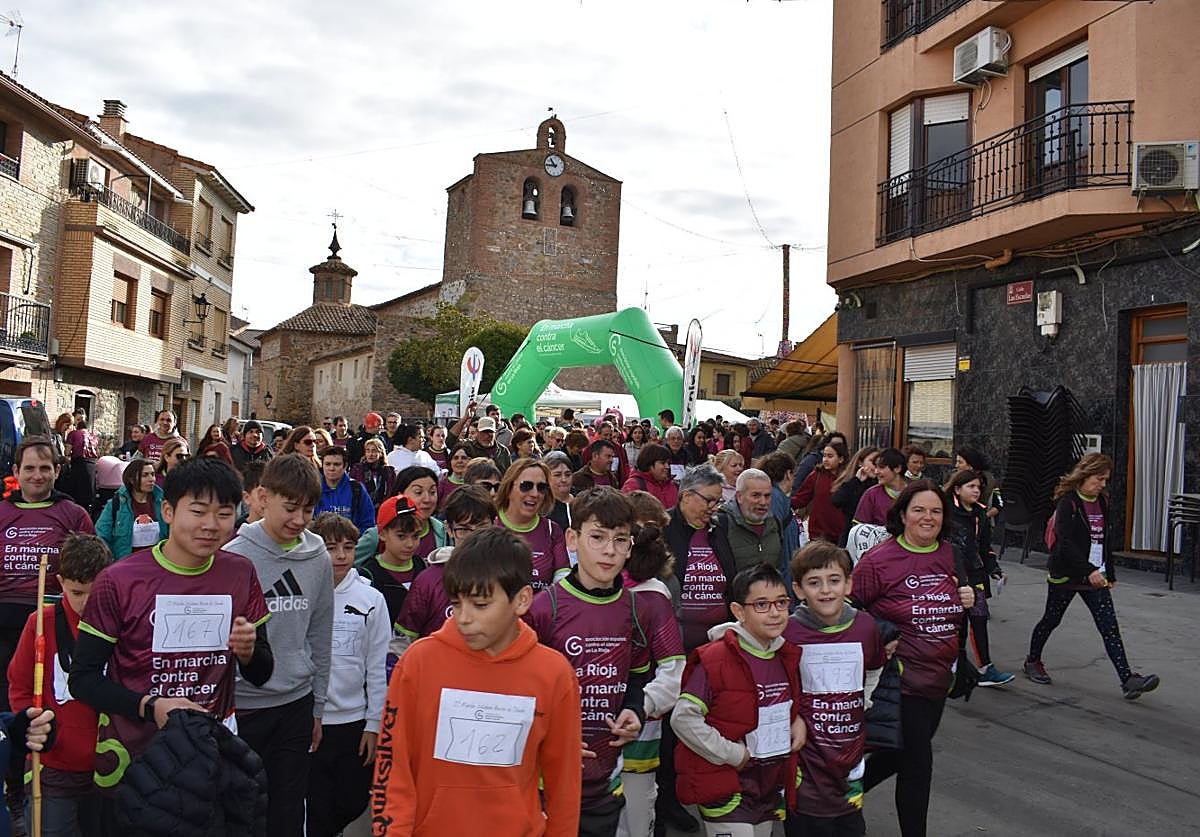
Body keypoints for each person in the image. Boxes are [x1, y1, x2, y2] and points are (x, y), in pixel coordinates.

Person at [69, 458, 272, 799]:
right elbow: (83, 680)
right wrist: (152, 706)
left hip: (210, 757)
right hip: (133, 760)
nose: (211, 525)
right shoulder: (119, 580)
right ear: (167, 511)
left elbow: (262, 673)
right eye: (198, 511)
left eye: (224, 513)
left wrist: (249, 652)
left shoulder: (241, 572)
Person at [370, 527, 583, 835]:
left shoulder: (554, 675)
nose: (464, 618)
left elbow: (563, 783)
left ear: (522, 600)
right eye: (457, 603)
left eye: (480, 605)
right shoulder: (418, 664)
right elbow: (393, 768)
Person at [852, 480, 974, 837]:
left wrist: (971, 600)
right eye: (919, 510)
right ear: (902, 515)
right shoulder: (878, 561)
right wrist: (883, 639)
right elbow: (850, 614)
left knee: (899, 752)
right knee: (918, 762)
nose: (928, 517)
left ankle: (842, 794)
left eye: (936, 511)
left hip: (938, 676)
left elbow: (962, 609)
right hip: (900, 677)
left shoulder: (951, 554)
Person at [525, 488, 647, 836]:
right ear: (572, 540)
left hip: (604, 787)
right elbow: (514, 690)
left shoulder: (635, 608)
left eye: (620, 540)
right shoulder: (542, 609)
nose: (609, 550)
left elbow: (637, 677)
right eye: (597, 537)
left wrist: (635, 712)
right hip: (543, 786)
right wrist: (546, 735)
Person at [225, 453, 335, 837]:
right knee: (241, 808)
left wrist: (319, 705)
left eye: (308, 510)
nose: (299, 520)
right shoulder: (235, 555)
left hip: (295, 704)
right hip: (244, 707)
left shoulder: (318, 555)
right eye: (290, 508)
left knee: (287, 812)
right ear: (262, 496)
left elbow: (321, 634)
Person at [671, 563, 805, 837]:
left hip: (767, 785)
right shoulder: (714, 658)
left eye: (781, 603)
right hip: (726, 786)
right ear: (738, 612)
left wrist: (796, 721)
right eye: (761, 605)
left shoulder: (785, 655)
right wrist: (733, 754)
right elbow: (683, 718)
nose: (775, 613)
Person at [1023, 453, 1159, 700]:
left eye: (1106, 480)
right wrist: (1088, 570)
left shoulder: (1102, 502)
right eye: (1099, 479)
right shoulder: (1069, 502)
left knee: (1109, 627)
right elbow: (1064, 544)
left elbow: (1104, 539)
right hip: (1067, 574)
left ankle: (1127, 679)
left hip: (1096, 575)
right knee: (1051, 619)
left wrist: (1110, 571)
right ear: (1084, 476)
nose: (1102, 484)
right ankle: (1033, 660)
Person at [783, 542, 887, 837]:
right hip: (807, 758)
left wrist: (863, 700)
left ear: (849, 584)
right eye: (814, 583)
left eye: (834, 580)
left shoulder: (865, 626)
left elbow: (876, 666)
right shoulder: (788, 632)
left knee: (850, 825)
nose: (826, 590)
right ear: (799, 590)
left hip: (849, 755)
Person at [7, 532, 108, 834]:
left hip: (109, 765)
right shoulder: (41, 622)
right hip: (54, 764)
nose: (86, 603)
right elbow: (20, 686)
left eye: (95, 592)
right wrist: (33, 724)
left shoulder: (121, 621)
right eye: (77, 593)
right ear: (61, 582)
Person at [307, 513, 389, 837]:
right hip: (310, 722)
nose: (340, 556)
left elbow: (377, 667)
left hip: (353, 722)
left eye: (348, 547)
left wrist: (374, 724)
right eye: (330, 548)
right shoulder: (305, 594)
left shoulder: (371, 600)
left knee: (351, 800)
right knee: (314, 805)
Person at [0, 438, 95, 713]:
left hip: (53, 618)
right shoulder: (2, 512)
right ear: (16, 472)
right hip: (5, 618)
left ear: (57, 470)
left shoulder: (73, 514)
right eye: (29, 468)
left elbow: (91, 570)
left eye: (45, 468)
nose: (37, 475)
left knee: (48, 699)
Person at [617, 511, 685, 837]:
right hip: (583, 736)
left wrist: (638, 708)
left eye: (616, 541)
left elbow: (674, 670)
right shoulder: (564, 595)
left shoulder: (653, 598)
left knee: (636, 817)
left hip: (638, 734)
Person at [394, 485, 494, 652]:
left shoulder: (507, 576)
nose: (475, 537)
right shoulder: (428, 581)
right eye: (464, 529)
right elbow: (402, 644)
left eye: (482, 528)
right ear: (449, 529)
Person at [944, 469, 1013, 688]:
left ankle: (985, 668)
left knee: (979, 619)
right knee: (957, 625)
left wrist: (995, 569)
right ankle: (953, 668)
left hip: (975, 575)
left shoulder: (980, 513)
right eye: (971, 486)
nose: (976, 491)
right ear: (957, 489)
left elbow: (984, 547)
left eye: (978, 487)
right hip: (951, 577)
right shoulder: (945, 512)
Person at [497, 459, 571, 592]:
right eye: (526, 486)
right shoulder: (490, 523)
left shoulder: (552, 530)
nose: (534, 494)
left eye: (541, 488)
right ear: (508, 489)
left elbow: (562, 581)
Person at [357, 495, 426, 625]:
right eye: (401, 536)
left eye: (416, 536)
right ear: (382, 533)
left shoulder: (422, 567)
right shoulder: (368, 575)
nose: (410, 544)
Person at [96, 458, 168, 560]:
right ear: (131, 479)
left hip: (158, 562)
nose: (151, 479)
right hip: (125, 565)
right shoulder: (116, 504)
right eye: (145, 475)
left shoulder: (162, 502)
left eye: (152, 474)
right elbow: (102, 535)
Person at [719, 469, 783, 574]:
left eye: (767, 496)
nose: (763, 502)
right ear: (739, 496)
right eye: (756, 495)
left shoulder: (775, 523)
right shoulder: (722, 523)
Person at [792, 440, 849, 544]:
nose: (825, 459)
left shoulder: (848, 478)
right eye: (824, 456)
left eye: (830, 456)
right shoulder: (816, 475)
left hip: (840, 535)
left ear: (841, 459)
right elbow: (801, 498)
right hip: (818, 534)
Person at [314, 444, 376, 537]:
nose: (331, 468)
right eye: (327, 464)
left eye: (336, 464)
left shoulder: (357, 489)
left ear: (345, 466)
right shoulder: (314, 489)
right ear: (322, 465)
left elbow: (368, 523)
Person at [831, 447, 879, 548]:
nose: (875, 466)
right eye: (872, 461)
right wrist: (856, 480)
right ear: (860, 463)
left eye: (879, 462)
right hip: (850, 537)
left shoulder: (880, 486)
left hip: (874, 539)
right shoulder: (853, 483)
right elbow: (836, 500)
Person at [851, 447, 907, 527]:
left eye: (881, 467)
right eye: (876, 467)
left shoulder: (914, 493)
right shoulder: (871, 494)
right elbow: (859, 528)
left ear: (897, 468)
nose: (876, 471)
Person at [447, 408, 513, 473]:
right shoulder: (468, 447)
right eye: (483, 432)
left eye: (490, 431)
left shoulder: (503, 451)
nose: (486, 435)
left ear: (495, 432)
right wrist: (465, 418)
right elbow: (450, 441)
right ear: (478, 432)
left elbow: (509, 475)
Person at [621, 444, 680, 510]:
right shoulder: (634, 486)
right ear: (649, 464)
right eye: (663, 463)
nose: (667, 466)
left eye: (668, 463)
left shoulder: (674, 486)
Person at [350, 437, 396, 510]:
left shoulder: (388, 472)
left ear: (380, 453)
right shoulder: (358, 469)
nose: (370, 454)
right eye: (368, 451)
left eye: (374, 451)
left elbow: (391, 492)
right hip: (361, 508)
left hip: (383, 508)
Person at [64, 418, 100, 511]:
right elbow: (98, 452)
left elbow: (67, 451)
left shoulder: (73, 433)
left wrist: (67, 458)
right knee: (89, 492)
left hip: (79, 464)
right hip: (92, 464)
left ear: (77, 427)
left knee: (77, 492)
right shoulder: (93, 436)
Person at [544, 451, 576, 532]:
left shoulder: (583, 501)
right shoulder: (542, 507)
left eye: (568, 474)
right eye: (557, 475)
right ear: (546, 478)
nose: (564, 479)